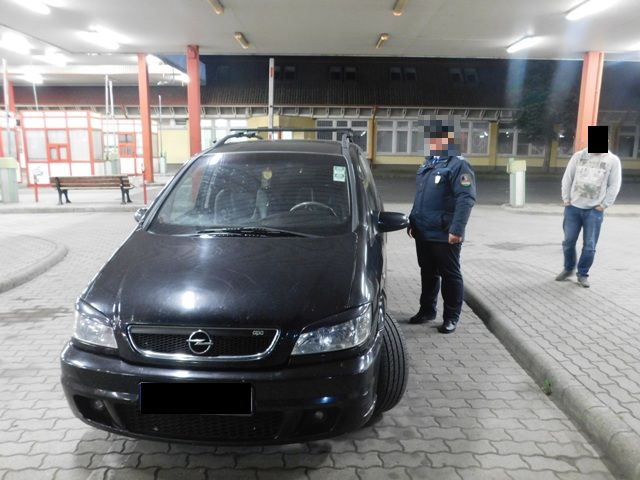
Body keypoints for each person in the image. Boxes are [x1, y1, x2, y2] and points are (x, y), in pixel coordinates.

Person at [407, 116, 476, 334]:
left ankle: (451, 317)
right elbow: (421, 196)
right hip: (424, 230)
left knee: (450, 274)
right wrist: (412, 220)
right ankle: (427, 310)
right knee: (427, 272)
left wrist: (457, 229)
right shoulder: (429, 162)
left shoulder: (458, 164)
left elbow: (466, 198)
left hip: (445, 232)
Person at [556, 126, 622, 288]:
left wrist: (604, 205)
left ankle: (582, 274)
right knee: (568, 242)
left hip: (594, 211)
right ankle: (568, 269)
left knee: (590, 246)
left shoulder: (612, 160)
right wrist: (566, 199)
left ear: (607, 141)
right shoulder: (579, 156)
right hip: (573, 208)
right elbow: (567, 178)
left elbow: (614, 185)